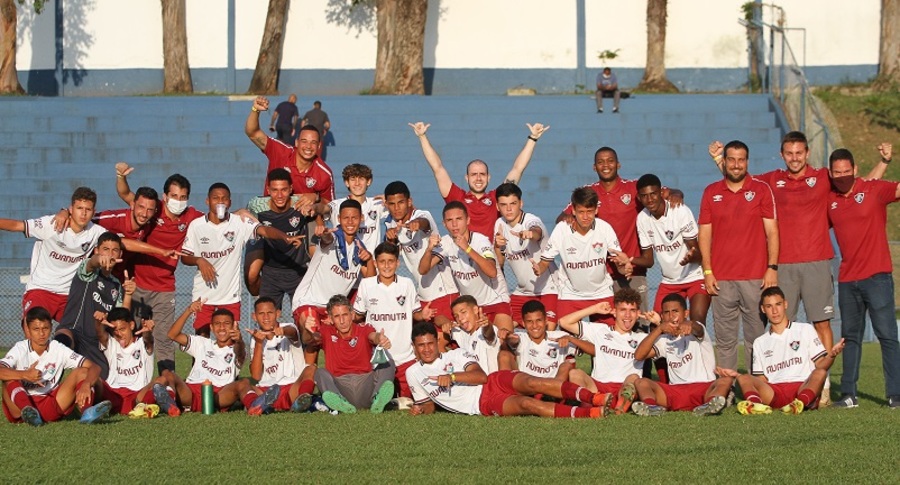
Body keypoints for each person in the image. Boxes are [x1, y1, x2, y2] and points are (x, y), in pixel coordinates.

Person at [714, 134, 891, 406]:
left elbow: (858, 185)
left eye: (799, 153)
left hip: (818, 262)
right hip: (784, 264)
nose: (794, 158)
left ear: (807, 153)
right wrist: (719, 161)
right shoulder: (772, 180)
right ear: (782, 154)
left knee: (821, 323)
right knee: (783, 323)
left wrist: (883, 163)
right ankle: (784, 382)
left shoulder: (823, 177)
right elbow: (740, 181)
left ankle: (823, 386)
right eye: (789, 153)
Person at [406, 322, 610, 418]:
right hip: (483, 403)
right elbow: (430, 405)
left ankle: (596, 398)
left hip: (494, 381)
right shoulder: (413, 373)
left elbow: (481, 377)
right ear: (414, 346)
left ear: (437, 341)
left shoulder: (456, 354)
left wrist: (451, 376)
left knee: (533, 383)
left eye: (430, 343)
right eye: (421, 345)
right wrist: (421, 409)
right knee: (527, 404)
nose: (426, 349)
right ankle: (590, 413)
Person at [826, 146, 900, 409]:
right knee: (850, 338)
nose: (843, 176)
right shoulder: (830, 200)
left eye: (847, 172)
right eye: (837, 173)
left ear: (855, 170)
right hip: (848, 280)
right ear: (831, 173)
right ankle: (848, 395)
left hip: (877, 276)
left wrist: (885, 161)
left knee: (887, 336)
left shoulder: (873, 189)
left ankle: (895, 395)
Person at [114, 165, 205, 374]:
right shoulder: (152, 209)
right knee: (131, 337)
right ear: (165, 196)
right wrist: (120, 176)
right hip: (137, 286)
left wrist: (240, 213)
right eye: (174, 196)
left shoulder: (191, 216)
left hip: (165, 289)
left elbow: (215, 219)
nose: (178, 201)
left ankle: (168, 385)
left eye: (183, 197)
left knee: (164, 339)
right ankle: (128, 382)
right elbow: (126, 194)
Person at [181, 182, 303, 337]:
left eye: (224, 199)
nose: (220, 202)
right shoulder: (196, 226)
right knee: (201, 341)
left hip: (230, 296)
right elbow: (184, 257)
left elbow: (263, 229)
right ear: (207, 201)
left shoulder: (239, 222)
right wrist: (199, 260)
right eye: (215, 198)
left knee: (231, 342)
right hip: (203, 295)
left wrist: (284, 237)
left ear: (230, 202)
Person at [698, 139, 778, 371]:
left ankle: (756, 389)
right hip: (721, 279)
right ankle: (727, 390)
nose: (736, 165)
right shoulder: (711, 192)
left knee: (757, 340)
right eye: (731, 160)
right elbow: (704, 234)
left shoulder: (761, 189)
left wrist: (771, 268)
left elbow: (772, 232)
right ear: (724, 162)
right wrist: (708, 271)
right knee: (725, 341)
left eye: (740, 160)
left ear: (747, 162)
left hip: (755, 278)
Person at [556, 147, 654, 321]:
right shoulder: (589, 193)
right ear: (594, 167)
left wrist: (676, 193)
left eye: (610, 161)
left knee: (638, 323)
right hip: (600, 277)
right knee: (603, 330)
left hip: (632, 271)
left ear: (618, 164)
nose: (606, 165)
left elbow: (663, 193)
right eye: (600, 162)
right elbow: (561, 218)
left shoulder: (632, 188)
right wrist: (568, 218)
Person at [409, 121, 549, 240]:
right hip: (462, 263)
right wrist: (422, 136)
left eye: (482, 174)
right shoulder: (456, 197)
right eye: (474, 174)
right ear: (467, 177)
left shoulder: (497, 198)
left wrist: (533, 138)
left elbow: (518, 169)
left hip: (490, 263)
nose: (478, 178)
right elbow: (437, 168)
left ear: (488, 177)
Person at [721, 287, 846, 415]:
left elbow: (821, 364)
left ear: (785, 304)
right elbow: (761, 379)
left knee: (820, 372)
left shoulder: (805, 329)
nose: (774, 311)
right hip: (775, 391)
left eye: (778, 304)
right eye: (769, 306)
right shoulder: (760, 342)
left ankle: (800, 403)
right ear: (763, 309)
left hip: (801, 386)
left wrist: (831, 356)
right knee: (744, 377)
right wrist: (738, 377)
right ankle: (755, 405)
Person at [0, 187, 107, 326]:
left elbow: (121, 243)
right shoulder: (51, 224)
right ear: (71, 209)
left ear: (94, 211)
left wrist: (146, 249)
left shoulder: (95, 232)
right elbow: (16, 225)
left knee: (82, 333)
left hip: (69, 295)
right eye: (80, 208)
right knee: (35, 328)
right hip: (41, 289)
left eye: (88, 209)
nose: (83, 213)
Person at [165, 299, 280, 415]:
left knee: (243, 382)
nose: (222, 328)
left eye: (226, 323)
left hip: (219, 395)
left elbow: (240, 351)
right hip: (191, 392)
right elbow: (172, 335)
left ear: (234, 326)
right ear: (211, 327)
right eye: (217, 324)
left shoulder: (238, 348)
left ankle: (255, 406)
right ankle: (170, 405)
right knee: (168, 375)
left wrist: (239, 340)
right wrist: (189, 310)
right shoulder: (201, 343)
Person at [1, 307, 111, 426]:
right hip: (20, 409)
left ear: (51, 328)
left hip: (50, 404)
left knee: (83, 372)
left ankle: (87, 412)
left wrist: (86, 384)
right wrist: (24, 375)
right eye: (36, 329)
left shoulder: (58, 348)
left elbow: (95, 367)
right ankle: (29, 412)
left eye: (45, 328)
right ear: (28, 329)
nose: (41, 334)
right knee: (9, 377)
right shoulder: (20, 348)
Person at [537, 187, 632, 324]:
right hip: (570, 295)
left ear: (596, 210)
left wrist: (625, 267)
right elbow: (544, 262)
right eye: (581, 212)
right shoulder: (562, 229)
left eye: (590, 212)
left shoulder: (604, 228)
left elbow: (620, 265)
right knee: (568, 341)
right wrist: (538, 269)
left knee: (609, 338)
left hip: (601, 293)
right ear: (573, 211)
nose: (586, 217)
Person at [352, 242, 431, 406]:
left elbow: (415, 313)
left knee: (415, 400)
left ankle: (394, 401)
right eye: (382, 261)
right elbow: (357, 316)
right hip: (378, 359)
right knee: (370, 398)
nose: (386, 266)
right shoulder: (366, 285)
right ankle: (389, 400)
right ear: (375, 263)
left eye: (391, 261)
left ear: (398, 263)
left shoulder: (407, 284)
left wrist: (422, 315)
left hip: (406, 358)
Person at [630, 294, 734, 416]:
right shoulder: (664, 340)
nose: (671, 316)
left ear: (685, 313)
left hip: (703, 388)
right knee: (641, 382)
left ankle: (710, 405)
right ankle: (651, 407)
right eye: (667, 313)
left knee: (725, 380)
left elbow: (698, 329)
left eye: (675, 311)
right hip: (675, 391)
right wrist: (658, 330)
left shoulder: (697, 330)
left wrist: (690, 324)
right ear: (662, 316)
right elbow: (639, 356)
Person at [419, 202, 513, 332]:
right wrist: (429, 249)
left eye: (459, 219)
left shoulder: (481, 241)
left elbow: (492, 272)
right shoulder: (446, 242)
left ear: (468, 220)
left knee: (505, 341)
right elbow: (423, 270)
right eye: (449, 220)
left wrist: (467, 248)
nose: (454, 224)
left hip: (496, 301)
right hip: (472, 308)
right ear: (444, 224)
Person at [53, 231, 135, 380]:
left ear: (120, 254)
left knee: (103, 378)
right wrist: (98, 259)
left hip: (94, 341)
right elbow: (92, 263)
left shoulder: (116, 284)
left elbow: (121, 317)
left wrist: (128, 294)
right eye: (105, 249)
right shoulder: (88, 271)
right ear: (97, 250)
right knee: (60, 344)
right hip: (74, 332)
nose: (110, 254)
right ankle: (45, 390)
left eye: (114, 250)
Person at [299, 295, 395, 414]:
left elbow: (373, 336)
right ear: (331, 318)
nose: (342, 320)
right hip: (340, 387)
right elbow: (310, 340)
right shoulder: (326, 331)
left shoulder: (364, 328)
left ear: (352, 314)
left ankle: (378, 398)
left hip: (365, 385)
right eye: (337, 316)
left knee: (388, 362)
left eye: (345, 315)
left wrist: (379, 338)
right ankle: (339, 402)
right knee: (319, 372)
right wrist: (307, 330)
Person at [556, 288, 646, 415]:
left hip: (623, 388)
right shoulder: (601, 331)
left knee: (634, 378)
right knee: (575, 373)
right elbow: (564, 322)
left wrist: (658, 322)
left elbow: (666, 338)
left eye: (632, 311)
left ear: (638, 314)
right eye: (622, 310)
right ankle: (589, 404)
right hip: (598, 388)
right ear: (614, 312)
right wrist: (594, 309)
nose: (627, 315)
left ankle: (619, 408)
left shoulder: (642, 338)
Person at [632, 174, 708, 323]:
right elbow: (648, 260)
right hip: (670, 282)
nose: (650, 199)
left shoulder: (679, 210)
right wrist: (629, 260)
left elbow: (698, 255)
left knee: (697, 323)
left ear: (661, 193)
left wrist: (691, 256)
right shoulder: (642, 218)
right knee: (657, 326)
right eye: (644, 196)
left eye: (653, 194)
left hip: (695, 276)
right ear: (639, 198)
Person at [382, 181, 458, 329]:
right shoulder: (390, 224)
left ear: (409, 202)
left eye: (401, 202)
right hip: (423, 294)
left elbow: (424, 222)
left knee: (449, 339)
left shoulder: (422, 215)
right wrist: (390, 239)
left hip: (444, 292)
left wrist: (417, 223)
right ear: (387, 205)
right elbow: (391, 256)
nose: (397, 208)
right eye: (392, 204)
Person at [291, 199, 376, 329]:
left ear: (362, 218)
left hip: (332, 310)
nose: (350, 222)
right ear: (338, 219)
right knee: (313, 339)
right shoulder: (333, 237)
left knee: (336, 345)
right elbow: (327, 239)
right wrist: (324, 234)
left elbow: (371, 280)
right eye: (346, 218)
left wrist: (369, 259)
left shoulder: (359, 248)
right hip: (308, 301)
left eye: (354, 218)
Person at [493, 182, 560, 327]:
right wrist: (497, 246)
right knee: (503, 330)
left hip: (548, 289)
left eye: (513, 203)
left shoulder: (531, 220)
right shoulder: (499, 224)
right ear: (498, 207)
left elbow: (537, 231)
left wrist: (530, 233)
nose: (509, 209)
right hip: (522, 291)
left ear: (521, 203)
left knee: (546, 332)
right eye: (504, 205)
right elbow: (500, 261)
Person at [244, 168, 314, 306]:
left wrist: (315, 199)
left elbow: (320, 209)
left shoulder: (300, 203)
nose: (280, 195)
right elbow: (241, 220)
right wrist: (240, 212)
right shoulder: (256, 205)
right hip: (270, 269)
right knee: (252, 274)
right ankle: (259, 297)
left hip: (298, 269)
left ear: (291, 189)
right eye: (275, 190)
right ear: (268, 190)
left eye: (284, 190)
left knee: (304, 318)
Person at [246, 96, 335, 203]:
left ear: (319, 146)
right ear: (296, 142)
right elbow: (253, 133)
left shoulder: (324, 173)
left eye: (313, 142)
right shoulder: (281, 151)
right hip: (270, 215)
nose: (308, 146)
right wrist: (255, 110)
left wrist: (316, 198)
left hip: (304, 218)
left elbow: (329, 205)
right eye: (304, 141)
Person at [246, 297, 317, 413]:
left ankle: (302, 401)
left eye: (270, 313)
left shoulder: (288, 326)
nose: (266, 318)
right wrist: (259, 343)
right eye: (261, 314)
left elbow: (292, 331)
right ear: (254, 316)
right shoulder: (256, 338)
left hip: (290, 387)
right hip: (266, 390)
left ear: (278, 313)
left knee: (311, 369)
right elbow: (256, 376)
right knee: (243, 384)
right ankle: (258, 406)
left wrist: (283, 331)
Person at [95, 307, 168, 416]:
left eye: (122, 329)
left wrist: (148, 332)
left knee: (160, 381)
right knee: (93, 380)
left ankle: (144, 406)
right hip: (114, 393)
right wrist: (98, 322)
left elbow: (148, 341)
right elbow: (101, 335)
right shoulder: (112, 343)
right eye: (115, 330)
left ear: (132, 325)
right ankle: (93, 410)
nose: (119, 334)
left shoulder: (141, 344)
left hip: (137, 394)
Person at [500, 300, 577, 380]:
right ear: (523, 323)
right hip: (528, 388)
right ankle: (505, 390)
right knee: (503, 354)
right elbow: (513, 340)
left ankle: (557, 388)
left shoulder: (560, 336)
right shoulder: (522, 338)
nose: (535, 326)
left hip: (554, 387)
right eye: (529, 321)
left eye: (539, 320)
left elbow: (587, 348)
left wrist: (570, 339)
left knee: (569, 364)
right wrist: (507, 336)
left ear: (546, 320)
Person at [322, 163, 388, 253]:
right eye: (353, 179)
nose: (357, 183)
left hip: (371, 263)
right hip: (345, 263)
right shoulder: (337, 204)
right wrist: (314, 205)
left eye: (361, 179)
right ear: (346, 183)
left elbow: (405, 210)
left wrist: (390, 201)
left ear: (369, 181)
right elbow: (322, 209)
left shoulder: (376, 204)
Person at [442, 295, 503, 374]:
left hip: (489, 383)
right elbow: (439, 318)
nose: (460, 318)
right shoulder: (462, 334)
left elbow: (490, 335)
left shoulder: (488, 329)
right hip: (473, 383)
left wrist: (487, 326)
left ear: (475, 310)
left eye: (463, 312)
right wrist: (445, 324)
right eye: (456, 316)